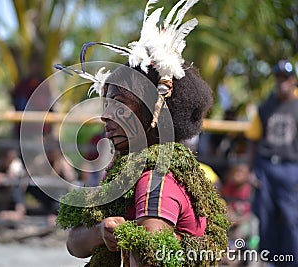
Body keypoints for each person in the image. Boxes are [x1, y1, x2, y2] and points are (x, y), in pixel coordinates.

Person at [55, 1, 230, 266]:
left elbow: (149, 258)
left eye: (119, 104)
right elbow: (74, 244)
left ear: (154, 113)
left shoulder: (154, 179)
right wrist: (100, 232)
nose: (106, 116)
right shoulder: (125, 170)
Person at [245, 59, 298, 265]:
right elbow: (253, 138)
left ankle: (292, 261)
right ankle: (271, 261)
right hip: (265, 166)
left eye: (285, 78)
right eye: (278, 77)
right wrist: (251, 170)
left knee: (291, 217)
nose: (281, 82)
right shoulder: (266, 106)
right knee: (265, 217)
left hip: (291, 167)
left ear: (293, 80)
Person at [0, 148, 27, 221]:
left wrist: (4, 178)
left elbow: (15, 177)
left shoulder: (16, 167)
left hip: (9, 203)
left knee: (13, 185)